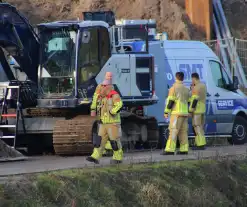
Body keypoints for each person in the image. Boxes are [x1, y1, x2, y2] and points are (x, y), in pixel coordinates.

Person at [87, 72, 124, 164]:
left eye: (103, 86)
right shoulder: (101, 98)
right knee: (99, 141)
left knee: (114, 142)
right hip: (103, 122)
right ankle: (95, 157)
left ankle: (118, 158)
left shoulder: (114, 95)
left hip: (113, 123)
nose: (101, 88)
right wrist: (93, 109)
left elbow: (119, 105)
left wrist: (112, 112)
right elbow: (96, 101)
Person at [163, 72, 190, 155]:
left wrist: (166, 112)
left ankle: (170, 150)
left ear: (176, 77)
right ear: (182, 78)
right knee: (183, 132)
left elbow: (171, 101)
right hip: (185, 114)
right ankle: (184, 149)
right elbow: (189, 101)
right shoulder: (186, 89)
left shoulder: (173, 88)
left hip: (176, 114)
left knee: (173, 131)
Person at [90, 72, 114, 156]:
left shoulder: (112, 87)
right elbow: (95, 98)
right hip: (102, 112)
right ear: (105, 77)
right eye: (108, 76)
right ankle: (104, 149)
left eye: (110, 76)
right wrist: (93, 109)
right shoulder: (100, 87)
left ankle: (107, 148)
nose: (109, 77)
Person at [189, 72, 207, 150]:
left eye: (192, 79)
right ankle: (201, 143)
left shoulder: (196, 88)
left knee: (197, 127)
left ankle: (200, 145)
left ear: (194, 78)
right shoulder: (203, 85)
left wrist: (191, 110)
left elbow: (195, 100)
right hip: (202, 109)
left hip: (196, 110)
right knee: (201, 127)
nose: (191, 81)